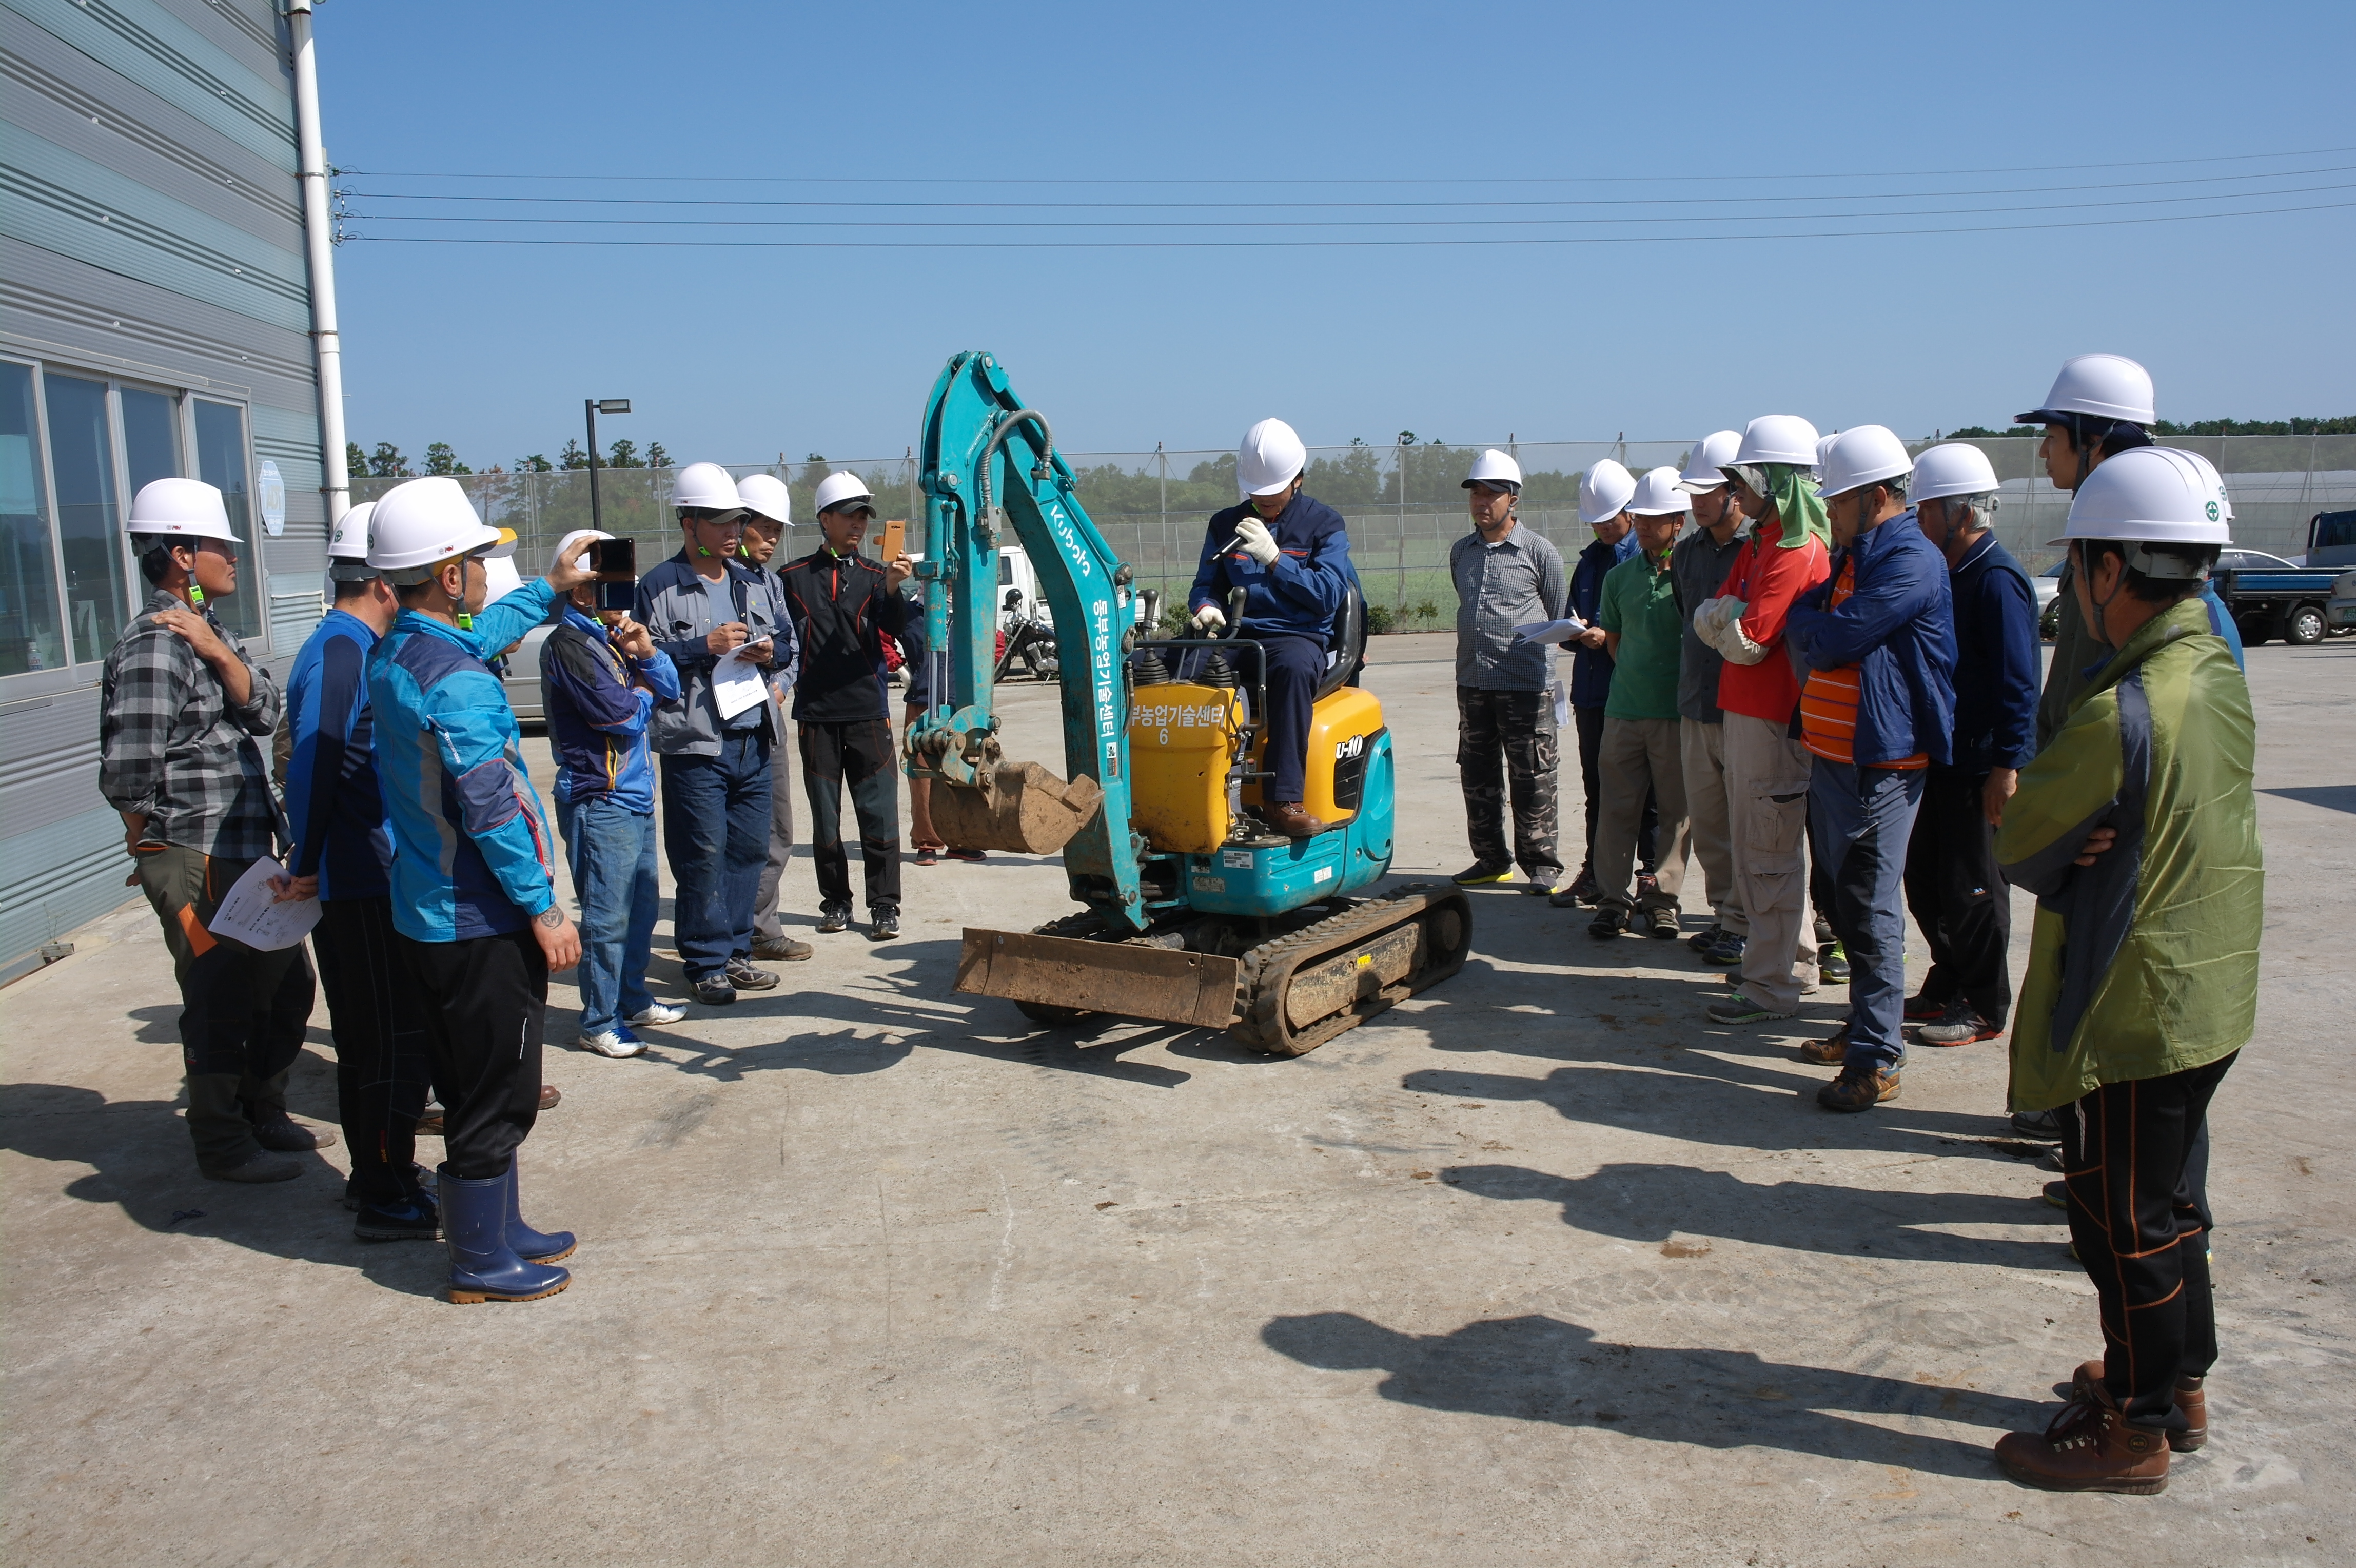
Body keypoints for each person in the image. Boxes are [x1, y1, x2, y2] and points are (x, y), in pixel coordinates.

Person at [1989, 446, 2259, 1494]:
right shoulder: (2215, 668)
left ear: (2110, 569)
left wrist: (2063, 827)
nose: (2076, 587)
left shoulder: (2121, 709)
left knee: (2120, 1218)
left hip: (2134, 1001)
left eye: (2080, 566)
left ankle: (2134, 1428)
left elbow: (2021, 839)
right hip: (2208, 986)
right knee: (2171, 1204)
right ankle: (2177, 1382)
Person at [364, 477, 586, 1305]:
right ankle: (479, 1260)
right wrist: (543, 909)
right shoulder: (456, 683)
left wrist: (549, 588)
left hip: (429, 914)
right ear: (450, 576)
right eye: (480, 561)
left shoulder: (402, 653)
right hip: (480, 919)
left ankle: (498, 1229)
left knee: (469, 1083)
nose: (489, 574)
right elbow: (491, 810)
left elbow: (480, 634)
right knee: (499, 1090)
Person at [99, 478, 325, 1183]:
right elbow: (127, 771)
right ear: (181, 555)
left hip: (243, 849)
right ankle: (223, 1141)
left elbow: (266, 711)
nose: (235, 558)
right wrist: (149, 844)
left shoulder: (207, 632)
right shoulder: (153, 646)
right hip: (192, 850)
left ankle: (263, 1109)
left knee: (285, 987)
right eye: (222, 547)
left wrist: (219, 652)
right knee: (218, 994)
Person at [1781, 427, 1955, 1111]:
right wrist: (1818, 630)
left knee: (1871, 906)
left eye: (1837, 500)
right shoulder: (1854, 556)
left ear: (1875, 496)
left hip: (1881, 765)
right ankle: (1863, 1026)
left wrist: (1819, 633)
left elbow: (1835, 637)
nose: (1827, 511)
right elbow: (1804, 618)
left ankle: (1877, 1056)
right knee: (1843, 898)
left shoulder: (1911, 561)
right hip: (1835, 758)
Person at [279, 501, 439, 1237]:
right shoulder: (343, 651)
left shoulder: (347, 645)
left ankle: (381, 1172)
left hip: (366, 871)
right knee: (382, 1040)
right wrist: (308, 859)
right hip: (361, 877)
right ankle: (381, 1190)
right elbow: (315, 761)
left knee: (380, 1035)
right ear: (380, 582)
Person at [1695, 416, 1833, 1026]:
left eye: (1742, 480)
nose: (1734, 492)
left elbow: (1746, 642)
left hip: (1772, 722)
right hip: (1746, 715)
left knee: (1768, 855)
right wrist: (1729, 613)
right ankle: (1787, 964)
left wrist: (1728, 615)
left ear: (1774, 481)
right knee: (1763, 849)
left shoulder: (1796, 551)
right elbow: (1709, 619)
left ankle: (1770, 986)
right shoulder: (1760, 544)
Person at [1900, 444, 2038, 1049]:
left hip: (1978, 762)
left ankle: (1983, 1002)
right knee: (1926, 879)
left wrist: (2006, 766)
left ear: (1961, 513)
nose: (1918, 520)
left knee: (1974, 885)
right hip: (1941, 755)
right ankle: (1948, 976)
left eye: (1926, 510)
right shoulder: (1948, 572)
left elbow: (2018, 681)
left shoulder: (1995, 579)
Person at [637, 462, 790, 1004]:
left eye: (737, 521)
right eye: (720, 521)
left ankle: (737, 954)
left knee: (748, 851)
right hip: (696, 744)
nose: (733, 531)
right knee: (702, 854)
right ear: (689, 522)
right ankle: (705, 961)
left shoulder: (755, 581)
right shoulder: (658, 587)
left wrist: (770, 653)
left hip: (754, 738)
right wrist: (703, 646)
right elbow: (641, 659)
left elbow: (789, 642)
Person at [543, 529, 685, 1059]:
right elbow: (620, 716)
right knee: (606, 918)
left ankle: (632, 998)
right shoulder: (569, 645)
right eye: (614, 586)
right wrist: (645, 688)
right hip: (599, 799)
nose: (624, 598)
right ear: (583, 590)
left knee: (641, 909)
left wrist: (647, 654)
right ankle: (599, 1020)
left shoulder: (614, 638)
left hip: (634, 796)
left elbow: (671, 688)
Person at [1186, 418, 1357, 838]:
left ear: (1298, 479)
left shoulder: (1324, 524)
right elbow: (1207, 584)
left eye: (1272, 491)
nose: (1263, 499)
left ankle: (1283, 800)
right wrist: (1206, 607)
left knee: (1293, 671)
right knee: (1170, 668)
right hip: (1238, 635)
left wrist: (1276, 560)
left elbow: (1328, 596)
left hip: (1296, 636)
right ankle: (1179, 789)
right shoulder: (1225, 523)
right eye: (1256, 492)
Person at [779, 471, 915, 938]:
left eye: (864, 517)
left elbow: (896, 626)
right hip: (816, 716)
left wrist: (894, 587)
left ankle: (885, 906)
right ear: (825, 519)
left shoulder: (879, 576)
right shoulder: (792, 578)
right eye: (849, 515)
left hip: (868, 714)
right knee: (826, 820)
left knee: (880, 816)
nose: (858, 524)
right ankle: (836, 901)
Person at [1447, 448, 1567, 892]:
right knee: (1477, 776)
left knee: (1532, 776)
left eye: (1492, 494)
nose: (1482, 503)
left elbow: (1556, 613)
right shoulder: (1462, 552)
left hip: (1526, 688)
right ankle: (1491, 858)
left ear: (1513, 499)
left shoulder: (1539, 552)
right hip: (1473, 683)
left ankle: (1542, 866)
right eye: (1476, 494)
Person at [1588, 467, 1693, 940]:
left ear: (1679, 522)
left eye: (1656, 518)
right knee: (1617, 810)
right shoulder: (1619, 578)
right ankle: (1613, 901)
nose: (1644, 526)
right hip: (1624, 713)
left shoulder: (1693, 575)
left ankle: (1663, 901)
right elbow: (1614, 640)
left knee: (1675, 816)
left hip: (1676, 715)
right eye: (1641, 517)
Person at [1668, 431, 1750, 965]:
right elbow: (1687, 616)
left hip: (1742, 709)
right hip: (1696, 706)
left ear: (1736, 491)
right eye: (1692, 493)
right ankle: (1725, 916)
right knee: (1711, 822)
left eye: (1707, 493)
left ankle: (1746, 923)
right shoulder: (1686, 553)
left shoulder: (1759, 548)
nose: (1696, 503)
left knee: (1748, 825)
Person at [734, 473, 813, 963]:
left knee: (778, 830)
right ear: (738, 524)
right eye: (764, 528)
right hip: (723, 726)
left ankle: (761, 927)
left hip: (767, 717)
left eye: (777, 531)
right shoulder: (715, 580)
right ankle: (727, 935)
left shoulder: (770, 583)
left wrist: (781, 685)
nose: (771, 540)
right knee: (730, 835)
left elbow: (791, 646)